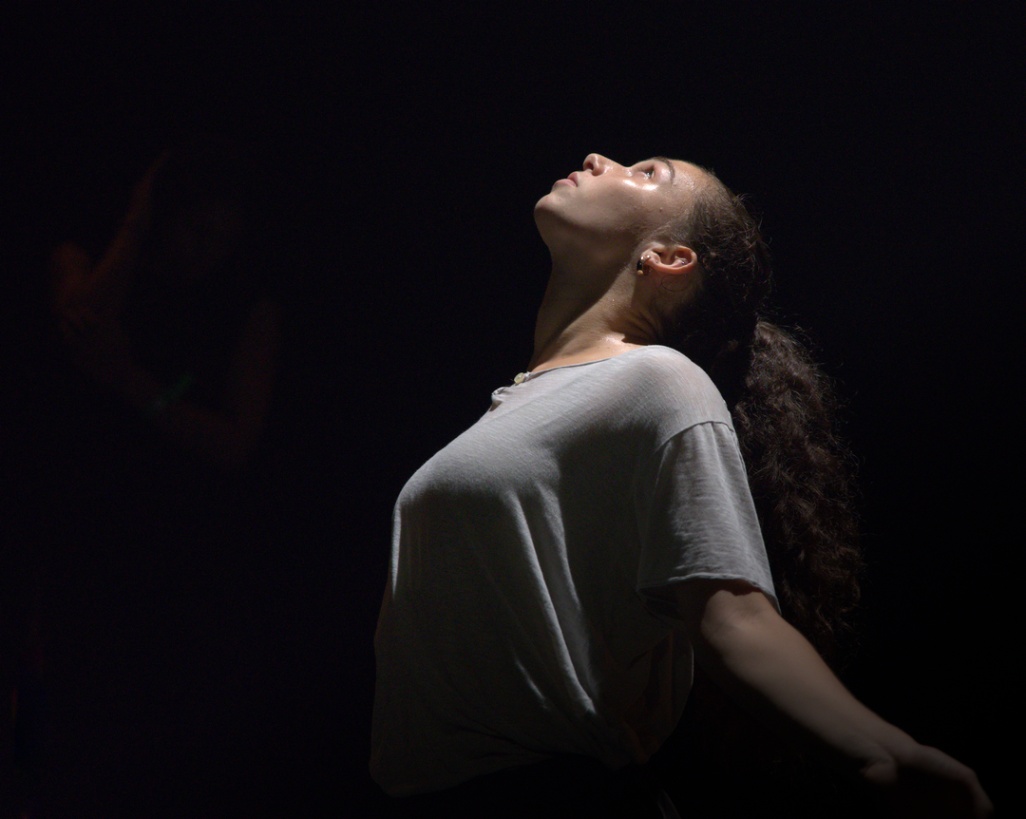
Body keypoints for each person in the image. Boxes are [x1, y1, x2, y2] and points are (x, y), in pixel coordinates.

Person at [369, 153, 994, 818]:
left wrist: (884, 755)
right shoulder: (517, 405)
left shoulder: (659, 382)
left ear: (668, 258)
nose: (597, 159)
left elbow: (733, 615)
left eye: (647, 172)